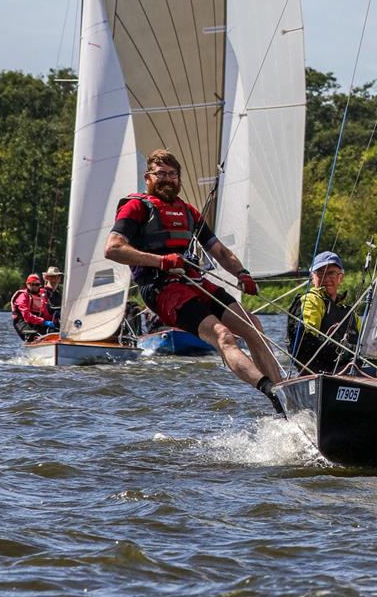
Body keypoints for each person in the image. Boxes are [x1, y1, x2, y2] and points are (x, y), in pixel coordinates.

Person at [104, 149, 283, 411]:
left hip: (195, 283)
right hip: (162, 289)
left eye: (173, 174)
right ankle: (271, 392)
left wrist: (241, 273)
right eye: (161, 174)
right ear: (148, 178)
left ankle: (286, 393)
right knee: (223, 335)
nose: (168, 179)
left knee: (253, 326)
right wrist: (162, 261)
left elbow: (219, 251)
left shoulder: (188, 211)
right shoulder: (137, 207)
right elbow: (113, 248)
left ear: (179, 179)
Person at [287, 251, 360, 374]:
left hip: (349, 371)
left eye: (331, 273)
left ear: (340, 277)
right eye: (320, 273)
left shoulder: (351, 314)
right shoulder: (311, 300)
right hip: (319, 374)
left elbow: (364, 346)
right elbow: (305, 342)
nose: (326, 279)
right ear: (312, 277)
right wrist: (344, 351)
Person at [11, 274, 56, 342]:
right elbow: (26, 316)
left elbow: (45, 313)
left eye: (37, 284)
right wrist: (44, 322)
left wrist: (53, 321)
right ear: (27, 284)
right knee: (33, 336)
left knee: (54, 333)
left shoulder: (41, 296)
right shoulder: (23, 296)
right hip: (22, 321)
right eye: (32, 284)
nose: (35, 286)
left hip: (36, 321)